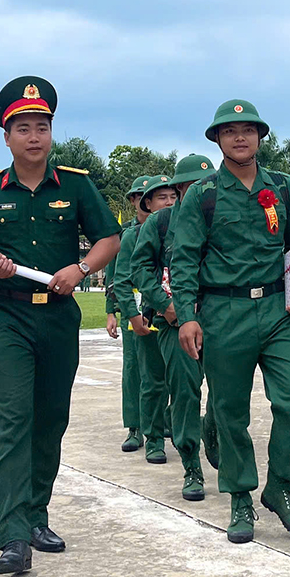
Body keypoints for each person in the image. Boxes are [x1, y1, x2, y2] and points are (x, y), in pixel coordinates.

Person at [0, 77, 122, 576]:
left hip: (58, 316)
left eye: (41, 126)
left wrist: (83, 269)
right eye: (22, 127)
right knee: (15, 420)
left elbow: (109, 237)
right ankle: (13, 537)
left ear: (51, 133)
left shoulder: (75, 184)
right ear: (7, 137)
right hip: (6, 316)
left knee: (50, 421)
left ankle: (37, 515)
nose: (33, 136)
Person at [171, 99, 290, 545]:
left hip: (277, 311)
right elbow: (185, 259)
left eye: (248, 130)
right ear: (217, 139)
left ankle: (282, 486)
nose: (240, 137)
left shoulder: (283, 188)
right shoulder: (202, 195)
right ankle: (239, 496)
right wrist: (188, 318)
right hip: (223, 313)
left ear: (260, 137)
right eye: (230, 130)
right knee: (231, 412)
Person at [132, 152, 217, 502]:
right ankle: (191, 465)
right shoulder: (162, 222)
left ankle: (214, 433)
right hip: (174, 323)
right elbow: (139, 268)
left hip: (219, 318)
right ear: (180, 188)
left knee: (226, 393)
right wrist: (165, 306)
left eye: (206, 183)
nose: (201, 190)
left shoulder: (221, 217)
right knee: (184, 390)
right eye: (192, 185)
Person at [114, 175, 174, 464]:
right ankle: (141, 430)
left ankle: (166, 424)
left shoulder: (183, 228)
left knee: (174, 378)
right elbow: (121, 279)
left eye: (173, 196)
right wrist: (127, 313)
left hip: (175, 316)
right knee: (139, 374)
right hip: (143, 313)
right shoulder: (132, 235)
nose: (169, 202)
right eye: (161, 197)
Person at [106, 176, 150, 452]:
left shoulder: (171, 227)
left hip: (161, 306)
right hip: (131, 306)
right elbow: (113, 275)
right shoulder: (123, 234)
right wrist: (111, 312)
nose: (145, 202)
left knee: (163, 369)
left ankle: (161, 421)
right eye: (139, 197)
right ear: (133, 201)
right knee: (133, 369)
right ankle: (135, 427)